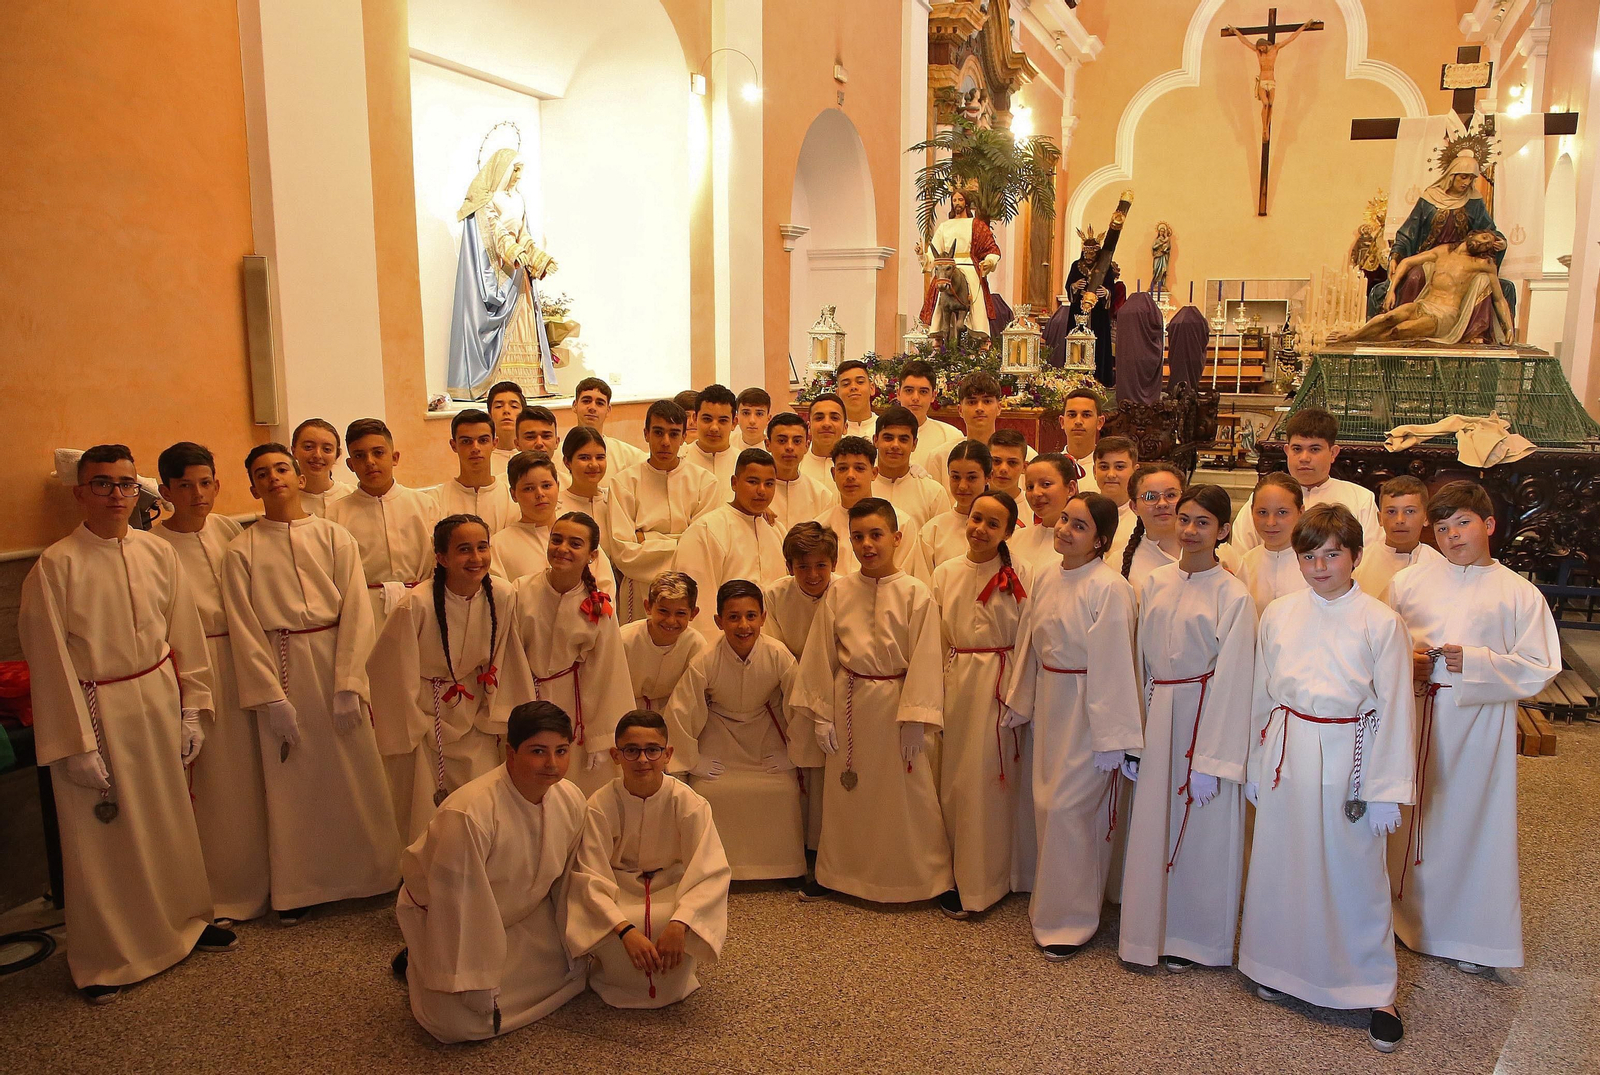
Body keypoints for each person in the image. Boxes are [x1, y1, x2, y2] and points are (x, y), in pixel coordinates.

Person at [21, 444, 234, 1003]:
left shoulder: (157, 552)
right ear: (80, 492)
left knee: (170, 819)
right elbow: (48, 661)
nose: (116, 495)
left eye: (124, 484)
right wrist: (75, 744)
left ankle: (185, 923)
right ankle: (109, 957)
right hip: (97, 711)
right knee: (105, 839)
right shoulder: (56, 565)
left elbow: (184, 633)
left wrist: (192, 706)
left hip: (157, 698)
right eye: (102, 484)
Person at [1239, 504, 1415, 1054]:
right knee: (1283, 863)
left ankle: (1374, 989)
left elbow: (1396, 707)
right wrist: (1254, 762)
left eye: (1332, 555)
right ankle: (1278, 965)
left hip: (1352, 754)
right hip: (1288, 748)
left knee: (1354, 873)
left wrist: (1386, 791)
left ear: (1356, 556)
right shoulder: (1279, 614)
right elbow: (1261, 693)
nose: (1319, 567)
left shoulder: (1381, 622)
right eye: (1309, 556)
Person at [1387, 481, 1560, 975]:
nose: (1453, 536)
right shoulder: (1408, 583)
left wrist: (1478, 663)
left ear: (1488, 525)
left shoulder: (1518, 593)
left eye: (1463, 523)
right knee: (1406, 814)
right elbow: (1380, 641)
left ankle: (1466, 934)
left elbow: (1541, 666)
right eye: (1442, 528)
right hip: (1415, 712)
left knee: (1467, 821)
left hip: (1478, 723)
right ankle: (1396, 916)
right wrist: (1409, 661)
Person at [223, 443, 400, 925]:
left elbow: (356, 609)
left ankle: (373, 874)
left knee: (356, 770)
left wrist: (349, 683)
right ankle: (301, 886)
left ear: (299, 477)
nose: (274, 478)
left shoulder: (333, 536)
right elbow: (243, 628)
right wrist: (270, 698)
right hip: (282, 669)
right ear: (253, 487)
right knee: (294, 782)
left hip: (335, 658)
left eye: (281, 468)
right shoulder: (241, 550)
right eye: (262, 473)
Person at [1118, 485, 1256, 971]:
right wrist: (1133, 738)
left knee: (1201, 831)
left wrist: (1212, 760)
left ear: (1223, 531)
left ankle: (1194, 938)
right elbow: (1139, 661)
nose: (1190, 530)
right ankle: (1146, 931)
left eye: (1203, 522)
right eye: (1184, 519)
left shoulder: (1233, 595)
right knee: (1152, 825)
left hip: (1204, 714)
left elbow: (1236, 679)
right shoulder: (1156, 582)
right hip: (1158, 711)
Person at [393, 701, 588, 1042]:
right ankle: (418, 958)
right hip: (455, 925)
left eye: (561, 751)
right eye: (538, 751)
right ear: (510, 753)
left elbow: (568, 880)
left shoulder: (570, 797)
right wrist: (476, 983)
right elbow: (458, 904)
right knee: (455, 1024)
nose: (552, 764)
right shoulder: (469, 813)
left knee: (583, 971)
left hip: (525, 915)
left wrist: (574, 937)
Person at [791, 498, 952, 904]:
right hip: (851, 703)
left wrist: (916, 717)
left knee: (908, 795)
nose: (867, 544)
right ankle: (838, 874)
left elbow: (927, 656)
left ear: (897, 537)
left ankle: (923, 878)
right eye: (858, 536)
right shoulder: (840, 591)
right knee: (848, 796)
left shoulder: (916, 592)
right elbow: (820, 653)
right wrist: (821, 714)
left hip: (899, 707)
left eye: (876, 534)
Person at [1005, 492, 1141, 958]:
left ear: (1100, 541)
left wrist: (1113, 739)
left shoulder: (1109, 588)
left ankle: (1072, 921)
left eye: (1079, 526)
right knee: (1046, 805)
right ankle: (1049, 904)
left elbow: (1117, 663)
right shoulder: (1047, 574)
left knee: (1071, 812)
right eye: (1064, 519)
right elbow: (1029, 639)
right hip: (1051, 700)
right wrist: (1022, 699)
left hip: (1088, 708)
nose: (1064, 529)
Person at [154, 442, 270, 923]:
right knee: (215, 783)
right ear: (165, 492)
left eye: (205, 483)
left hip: (242, 656)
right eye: (185, 486)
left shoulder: (230, 531)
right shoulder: (153, 546)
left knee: (254, 776)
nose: (198, 494)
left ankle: (266, 877)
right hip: (193, 665)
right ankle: (221, 890)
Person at [566, 710, 731, 1008]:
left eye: (652, 750)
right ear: (616, 755)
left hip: (672, 882)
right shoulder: (599, 806)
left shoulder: (690, 804)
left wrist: (681, 921)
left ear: (668, 754)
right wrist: (625, 930)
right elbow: (590, 875)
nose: (642, 760)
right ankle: (613, 978)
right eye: (632, 750)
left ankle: (675, 981)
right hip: (617, 885)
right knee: (621, 918)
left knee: (666, 917)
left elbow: (711, 870)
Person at [368, 514, 515, 841]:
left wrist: (494, 712)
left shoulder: (503, 595)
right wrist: (415, 725)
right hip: (426, 718)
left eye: (482, 547)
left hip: (478, 716)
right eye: (464, 549)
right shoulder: (416, 605)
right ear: (442, 557)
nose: (476, 558)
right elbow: (390, 669)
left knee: (483, 806)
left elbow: (508, 657)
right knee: (425, 815)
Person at [932, 490, 1032, 917]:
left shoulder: (1021, 573)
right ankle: (956, 872)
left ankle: (992, 879)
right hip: (957, 684)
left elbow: (1028, 639)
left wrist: (1019, 696)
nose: (980, 529)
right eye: (976, 519)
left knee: (991, 783)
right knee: (955, 783)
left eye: (993, 524)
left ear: (1008, 531)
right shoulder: (945, 572)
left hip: (1000, 685)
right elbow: (935, 639)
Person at [664, 581, 804, 880]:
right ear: (719, 621)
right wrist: (692, 759)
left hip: (765, 732)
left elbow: (798, 705)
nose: (743, 625)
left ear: (763, 617)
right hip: (719, 732)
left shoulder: (779, 655)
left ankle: (786, 867)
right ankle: (715, 868)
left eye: (751, 616)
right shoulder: (705, 660)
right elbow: (681, 710)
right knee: (708, 790)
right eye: (733, 617)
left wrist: (794, 752)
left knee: (784, 788)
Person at [499, 512, 634, 796]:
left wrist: (600, 738)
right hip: (525, 693)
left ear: (592, 555)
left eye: (575, 543)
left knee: (572, 787)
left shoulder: (597, 607)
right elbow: (508, 654)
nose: (562, 549)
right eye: (556, 540)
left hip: (574, 706)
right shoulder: (521, 590)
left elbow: (607, 675)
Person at [609, 399, 722, 622]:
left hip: (691, 587)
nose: (665, 442)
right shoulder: (624, 483)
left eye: (674, 434)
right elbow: (623, 553)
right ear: (646, 434)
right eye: (658, 432)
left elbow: (701, 548)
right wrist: (680, 541)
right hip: (640, 590)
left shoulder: (705, 483)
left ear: (684, 437)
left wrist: (648, 539)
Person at [764, 522, 838, 848]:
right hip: (791, 686)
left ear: (834, 563)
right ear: (788, 566)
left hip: (836, 686)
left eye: (821, 565)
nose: (813, 575)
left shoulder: (846, 592)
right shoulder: (774, 595)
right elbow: (774, 650)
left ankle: (828, 842)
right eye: (802, 567)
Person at [328, 418, 439, 629]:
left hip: (420, 603)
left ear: (394, 457)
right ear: (351, 465)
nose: (370, 462)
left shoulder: (425, 505)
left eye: (378, 453)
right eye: (359, 456)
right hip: (363, 610)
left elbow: (437, 561)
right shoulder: (336, 514)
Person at [1231, 408, 1381, 553]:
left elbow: (1370, 558)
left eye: (1314, 449)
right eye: (1297, 449)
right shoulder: (1263, 499)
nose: (1304, 458)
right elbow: (1241, 556)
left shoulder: (1360, 499)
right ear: (1287, 451)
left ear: (1333, 453)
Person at [674, 448, 786, 637]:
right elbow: (698, 604)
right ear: (734, 483)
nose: (761, 491)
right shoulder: (705, 530)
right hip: (723, 646)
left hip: (771, 647)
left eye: (769, 484)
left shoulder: (776, 530)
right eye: (753, 482)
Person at [493, 451, 615, 593]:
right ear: (514, 494)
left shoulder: (580, 533)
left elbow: (607, 589)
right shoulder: (499, 545)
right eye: (529, 488)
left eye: (546, 486)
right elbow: (499, 599)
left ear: (557, 486)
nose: (540, 494)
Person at [815, 437, 929, 580]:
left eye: (859, 468)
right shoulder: (821, 526)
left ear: (874, 473)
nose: (850, 476)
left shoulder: (900, 522)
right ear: (833, 473)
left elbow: (902, 580)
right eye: (843, 468)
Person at [619, 572, 710, 713]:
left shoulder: (695, 645)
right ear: (648, 607)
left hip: (674, 713)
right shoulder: (625, 640)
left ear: (693, 614)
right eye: (663, 611)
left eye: (680, 613)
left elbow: (693, 696)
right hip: (625, 710)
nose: (671, 621)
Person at [927, 372, 1025, 489]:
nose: (979, 408)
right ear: (960, 410)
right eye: (972, 402)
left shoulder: (1022, 455)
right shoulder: (940, 457)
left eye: (987, 401)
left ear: (999, 408)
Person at [1354, 475, 1443, 599]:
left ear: (1426, 517)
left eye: (1410, 511)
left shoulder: (1440, 566)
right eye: (1391, 511)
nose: (1400, 520)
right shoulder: (1358, 564)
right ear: (1380, 518)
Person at [872, 405, 953, 538]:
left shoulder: (933, 492)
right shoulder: (860, 487)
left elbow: (941, 541)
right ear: (875, 440)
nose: (895, 445)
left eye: (903, 439)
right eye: (888, 438)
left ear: (914, 444)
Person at [556, 426, 629, 574]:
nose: (594, 464)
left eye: (600, 457)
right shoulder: (556, 506)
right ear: (567, 462)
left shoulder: (616, 499)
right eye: (584, 458)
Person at [1237, 472, 1308, 616]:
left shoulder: (1317, 564)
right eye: (1262, 512)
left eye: (1282, 513)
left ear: (1300, 512)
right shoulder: (1244, 565)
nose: (1271, 523)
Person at [435, 409, 515, 534]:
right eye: (466, 441)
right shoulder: (436, 500)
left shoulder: (513, 499)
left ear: (494, 443)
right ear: (453, 445)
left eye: (483, 440)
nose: (475, 448)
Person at [1116, 463, 1186, 596]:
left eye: (1171, 495)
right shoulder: (1118, 562)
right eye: (1150, 497)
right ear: (1134, 507)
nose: (1162, 504)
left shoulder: (1218, 553)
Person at [920, 440, 991, 569]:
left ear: (988, 477)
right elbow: (923, 579)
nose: (962, 486)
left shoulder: (1001, 528)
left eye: (971, 478)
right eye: (955, 477)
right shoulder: (932, 531)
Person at [766, 411, 835, 534]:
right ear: (768, 444)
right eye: (782, 441)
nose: (789, 447)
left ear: (807, 446)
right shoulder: (755, 492)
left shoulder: (821, 495)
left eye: (797, 441)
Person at [1012, 454, 1082, 573]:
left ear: (1071, 488)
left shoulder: (1082, 546)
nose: (1036, 493)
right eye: (1030, 487)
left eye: (1046, 484)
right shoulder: (1016, 538)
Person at [572, 376, 647, 477]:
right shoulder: (557, 454)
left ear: (608, 410)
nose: (592, 408)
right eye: (586, 401)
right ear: (575, 405)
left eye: (599, 403)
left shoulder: (629, 457)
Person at [894, 360, 963, 470]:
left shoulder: (951, 436)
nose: (915, 398)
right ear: (898, 393)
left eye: (923, 392)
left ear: (933, 396)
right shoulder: (880, 434)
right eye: (909, 390)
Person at [681, 383, 740, 494]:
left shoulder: (743, 463)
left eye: (723, 421)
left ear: (734, 423)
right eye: (707, 419)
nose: (714, 428)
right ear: (695, 419)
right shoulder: (679, 460)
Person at [291, 418, 353, 518]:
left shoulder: (352, 496)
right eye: (308, 447)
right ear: (293, 451)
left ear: (337, 455)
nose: (317, 455)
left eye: (327, 449)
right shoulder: (285, 500)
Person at [1059, 389, 1105, 493]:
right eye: (1072, 415)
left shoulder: (1107, 471)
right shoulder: (1050, 466)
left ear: (1099, 422)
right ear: (1062, 422)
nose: (1078, 421)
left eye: (1086, 415)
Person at [800, 392, 847, 486]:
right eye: (819, 418)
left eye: (834, 418)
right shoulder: (796, 465)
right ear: (809, 427)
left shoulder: (856, 468)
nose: (826, 424)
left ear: (845, 427)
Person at [1091, 436, 1138, 528]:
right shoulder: (1084, 513)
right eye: (1104, 467)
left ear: (1135, 471)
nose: (1111, 475)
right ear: (1094, 471)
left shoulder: (1144, 516)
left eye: (1119, 467)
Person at [485, 380, 526, 475]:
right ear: (490, 415)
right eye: (498, 406)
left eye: (514, 406)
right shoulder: (482, 458)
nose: (506, 411)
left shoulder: (533, 454)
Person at [511, 406, 563, 478]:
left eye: (546, 436)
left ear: (557, 442)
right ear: (517, 444)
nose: (539, 443)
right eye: (530, 437)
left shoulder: (568, 482)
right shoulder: (502, 483)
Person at [833, 359, 877, 438]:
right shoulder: (832, 431)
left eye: (860, 382)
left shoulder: (885, 427)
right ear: (837, 393)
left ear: (872, 388)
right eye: (846, 384)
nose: (853, 387)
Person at [986, 428, 1033, 503]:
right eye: (996, 461)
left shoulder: (1034, 506)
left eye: (1012, 462)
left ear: (1024, 467)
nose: (1003, 469)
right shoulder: (972, 503)